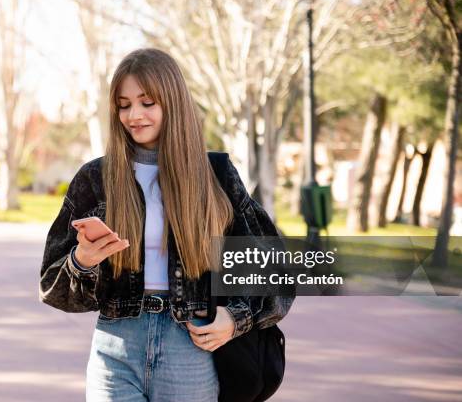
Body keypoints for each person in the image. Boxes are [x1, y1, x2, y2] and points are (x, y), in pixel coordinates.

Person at [39, 48, 294, 402]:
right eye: (124, 105)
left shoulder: (215, 177)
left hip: (190, 347)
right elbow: (52, 286)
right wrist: (82, 260)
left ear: (172, 102)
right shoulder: (96, 178)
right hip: (115, 347)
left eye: (147, 102)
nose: (134, 115)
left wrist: (235, 320)